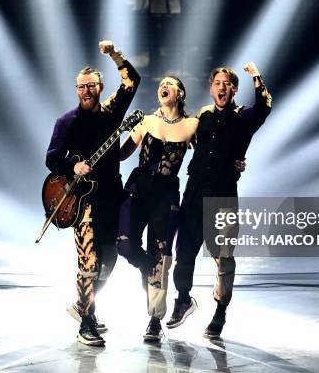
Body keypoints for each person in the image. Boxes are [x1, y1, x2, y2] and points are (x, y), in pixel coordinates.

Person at [166, 62, 272, 339]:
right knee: (184, 253)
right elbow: (184, 134)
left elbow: (265, 107)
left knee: (223, 258)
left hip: (223, 195)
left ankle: (220, 312)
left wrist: (256, 77)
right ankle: (183, 299)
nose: (221, 87)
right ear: (211, 88)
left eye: (227, 83)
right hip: (194, 192)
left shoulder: (243, 116)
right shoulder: (204, 114)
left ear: (234, 89)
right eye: (217, 83)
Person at [45, 40, 141, 346]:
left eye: (92, 85)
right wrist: (74, 168)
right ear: (76, 90)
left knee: (110, 258)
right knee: (88, 261)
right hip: (83, 202)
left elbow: (132, 81)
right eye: (81, 86)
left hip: (112, 195)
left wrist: (114, 55)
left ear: (100, 88)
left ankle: (85, 306)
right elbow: (52, 158)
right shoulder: (66, 122)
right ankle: (86, 323)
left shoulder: (113, 112)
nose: (86, 91)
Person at [117, 75, 197, 342]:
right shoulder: (146, 121)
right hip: (138, 190)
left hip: (167, 196)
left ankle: (154, 320)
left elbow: (211, 150)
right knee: (125, 244)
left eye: (170, 83)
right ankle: (145, 265)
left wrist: (235, 163)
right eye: (161, 83)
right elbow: (122, 153)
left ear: (180, 93)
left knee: (162, 257)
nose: (163, 85)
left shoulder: (192, 124)